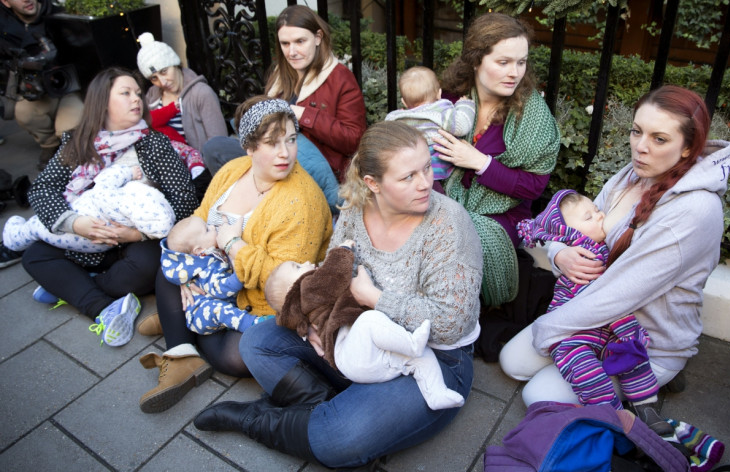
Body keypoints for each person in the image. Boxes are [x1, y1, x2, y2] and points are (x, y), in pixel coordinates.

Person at [191, 121, 482, 469]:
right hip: (352, 336)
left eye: (425, 168)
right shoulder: (355, 209)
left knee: (338, 439)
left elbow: (451, 324)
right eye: (408, 176)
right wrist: (315, 325)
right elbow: (331, 275)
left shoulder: (448, 224)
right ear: (372, 183)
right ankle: (339, 411)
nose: (425, 183)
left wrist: (375, 298)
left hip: (429, 360)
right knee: (257, 342)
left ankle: (256, 420)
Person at [499, 86, 730, 416]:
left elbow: (619, 295)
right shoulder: (632, 175)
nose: (640, 147)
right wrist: (559, 255)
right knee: (512, 363)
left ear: (687, 148)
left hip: (642, 338)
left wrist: (549, 330)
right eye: (637, 131)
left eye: (659, 139)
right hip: (594, 313)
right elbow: (575, 226)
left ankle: (662, 375)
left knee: (537, 394)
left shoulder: (694, 211)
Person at [137, 96, 332, 414]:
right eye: (271, 143)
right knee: (170, 264)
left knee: (235, 356)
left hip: (258, 302)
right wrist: (191, 271)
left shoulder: (301, 201)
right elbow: (198, 221)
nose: (285, 152)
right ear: (250, 147)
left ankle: (181, 321)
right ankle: (181, 351)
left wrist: (231, 245)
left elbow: (283, 282)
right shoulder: (231, 171)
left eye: (291, 140)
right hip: (213, 279)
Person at [8, 67, 197, 348]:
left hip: (131, 240)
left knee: (147, 266)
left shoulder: (152, 143)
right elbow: (42, 190)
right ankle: (102, 306)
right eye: (125, 93)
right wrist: (74, 223)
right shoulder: (78, 142)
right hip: (83, 233)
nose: (136, 99)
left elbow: (185, 200)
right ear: (102, 101)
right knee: (34, 256)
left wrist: (136, 234)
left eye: (138, 93)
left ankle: (73, 286)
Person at [517, 189, 670, 436]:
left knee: (630, 353)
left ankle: (646, 405)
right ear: (568, 233)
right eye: (589, 217)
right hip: (574, 333)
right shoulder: (581, 253)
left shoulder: (608, 247)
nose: (600, 217)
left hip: (609, 327)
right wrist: (558, 252)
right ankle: (612, 413)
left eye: (597, 211)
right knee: (582, 368)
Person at [434, 12, 560, 307]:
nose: (514, 72)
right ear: (477, 60)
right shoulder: (451, 100)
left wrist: (481, 163)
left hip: (503, 215)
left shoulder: (531, 117)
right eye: (503, 62)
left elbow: (533, 187)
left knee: (458, 239)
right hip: (443, 200)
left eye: (521, 62)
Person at [265, 240, 465, 411]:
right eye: (298, 267)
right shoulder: (308, 289)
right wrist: (343, 249)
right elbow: (333, 276)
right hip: (350, 352)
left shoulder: (302, 309)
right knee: (370, 322)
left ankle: (436, 394)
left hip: (362, 362)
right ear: (292, 292)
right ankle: (411, 343)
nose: (306, 262)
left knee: (418, 357)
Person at [202, 4, 366, 182]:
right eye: (285, 44)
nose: (292, 52)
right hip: (274, 154)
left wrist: (302, 114)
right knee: (215, 147)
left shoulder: (339, 77)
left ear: (318, 37)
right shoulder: (279, 75)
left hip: (316, 167)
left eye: (300, 42)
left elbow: (354, 141)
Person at [3, 162, 175, 253]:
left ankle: (13, 241)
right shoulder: (151, 218)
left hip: (76, 228)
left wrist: (128, 172)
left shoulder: (115, 196)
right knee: (40, 243)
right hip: (97, 244)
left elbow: (105, 180)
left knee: (35, 228)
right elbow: (159, 229)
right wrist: (140, 235)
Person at [136, 32, 228, 196]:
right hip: (163, 171)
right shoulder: (152, 95)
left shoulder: (201, 94)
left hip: (199, 174)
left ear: (175, 64)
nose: (162, 82)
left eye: (164, 71)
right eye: (154, 78)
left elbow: (218, 143)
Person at [0, 0, 84, 170]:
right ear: (6, 3)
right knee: (24, 112)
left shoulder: (60, 16)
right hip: (40, 91)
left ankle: (70, 146)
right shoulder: (4, 25)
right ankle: (49, 145)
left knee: (67, 131)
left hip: (73, 88)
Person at [161, 215, 274, 334]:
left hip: (219, 304)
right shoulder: (206, 268)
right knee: (219, 310)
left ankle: (230, 322)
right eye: (207, 230)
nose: (212, 226)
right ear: (199, 250)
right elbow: (223, 289)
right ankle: (252, 324)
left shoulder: (208, 254)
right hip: (201, 313)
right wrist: (238, 270)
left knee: (223, 310)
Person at [385, 66, 475, 181]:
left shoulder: (395, 119)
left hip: (409, 172)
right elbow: (461, 126)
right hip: (437, 170)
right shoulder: (442, 111)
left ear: (403, 102)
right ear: (439, 93)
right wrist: (465, 105)